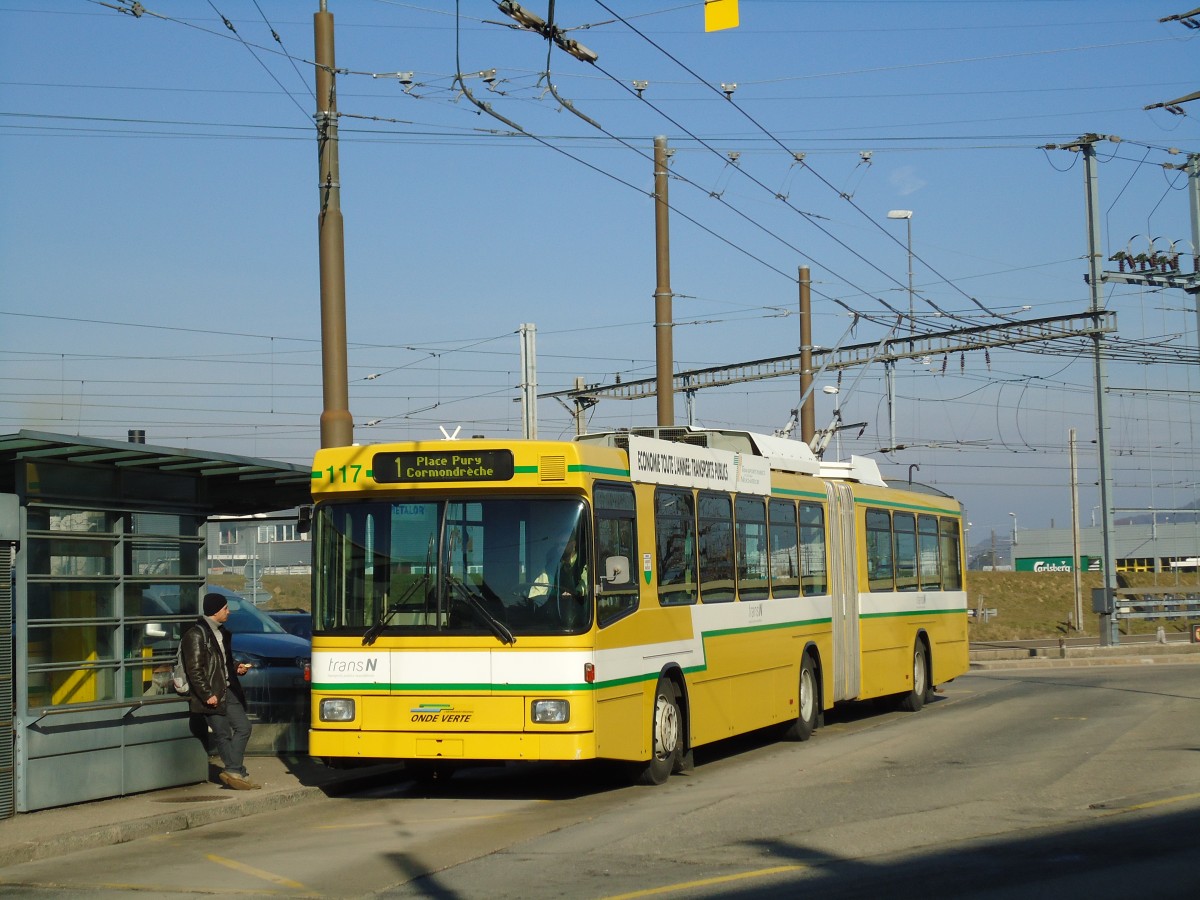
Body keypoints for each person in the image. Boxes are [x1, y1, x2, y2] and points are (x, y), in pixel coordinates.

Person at [181, 592, 259, 790]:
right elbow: (195, 669)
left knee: (244, 727)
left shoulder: (222, 632)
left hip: (227, 689)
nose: (229, 612)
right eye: (225, 608)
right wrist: (207, 694)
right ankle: (237, 771)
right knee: (222, 733)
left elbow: (221, 662)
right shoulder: (196, 635)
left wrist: (236, 667)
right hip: (210, 694)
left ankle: (234, 770)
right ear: (216, 611)